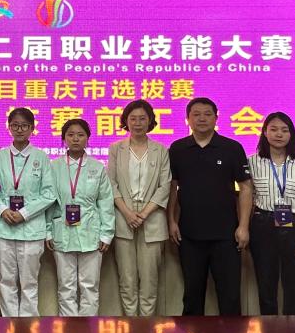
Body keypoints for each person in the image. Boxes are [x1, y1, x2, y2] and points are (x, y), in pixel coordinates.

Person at [167, 97, 252, 316]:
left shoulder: (232, 148)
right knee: (192, 296)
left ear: (216, 118)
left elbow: (245, 188)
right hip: (189, 234)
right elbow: (172, 188)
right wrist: (171, 221)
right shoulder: (177, 149)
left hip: (226, 235)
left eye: (207, 114)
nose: (202, 119)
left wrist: (243, 226)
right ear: (187, 119)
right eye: (196, 114)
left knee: (230, 296)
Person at [247, 112, 295, 315]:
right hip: (262, 225)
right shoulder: (252, 161)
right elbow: (247, 198)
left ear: (291, 134)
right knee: (266, 287)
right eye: (274, 129)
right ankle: (269, 332)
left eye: (284, 130)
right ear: (264, 132)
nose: (279, 134)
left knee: (294, 288)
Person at [107, 100, 172, 316]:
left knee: (150, 280)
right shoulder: (116, 149)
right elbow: (111, 184)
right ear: (125, 121)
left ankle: (146, 327)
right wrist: (127, 213)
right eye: (133, 118)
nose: (137, 123)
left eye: (142, 118)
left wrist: (143, 214)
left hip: (152, 219)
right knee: (127, 280)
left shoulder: (160, 150)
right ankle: (130, 326)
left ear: (150, 121)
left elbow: (165, 186)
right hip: (123, 218)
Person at [0, 108, 56, 317]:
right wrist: (2, 210)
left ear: (32, 128)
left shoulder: (41, 158)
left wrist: (25, 213)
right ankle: (9, 324)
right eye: (15, 125)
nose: (19, 129)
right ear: (9, 127)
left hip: (32, 229)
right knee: (6, 280)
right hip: (5, 228)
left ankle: (28, 326)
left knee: (29, 282)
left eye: (24, 126)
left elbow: (49, 193)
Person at [46, 119, 114, 316]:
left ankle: (88, 328)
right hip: (62, 231)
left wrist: (106, 234)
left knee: (89, 286)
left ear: (88, 138)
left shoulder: (97, 167)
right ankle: (68, 329)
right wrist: (48, 231)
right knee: (65, 286)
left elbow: (105, 202)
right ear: (64, 138)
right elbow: (48, 201)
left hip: (91, 233)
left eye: (80, 135)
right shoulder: (54, 167)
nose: (75, 139)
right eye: (70, 135)